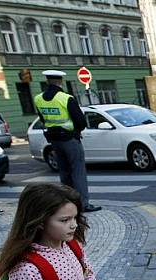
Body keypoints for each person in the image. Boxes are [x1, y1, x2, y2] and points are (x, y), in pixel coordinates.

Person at [34, 70, 100, 213]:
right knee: (78, 171)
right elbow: (80, 121)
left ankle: (67, 201)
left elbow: (43, 118)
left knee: (64, 171)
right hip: (69, 138)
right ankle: (83, 203)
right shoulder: (65, 98)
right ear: (60, 81)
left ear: (47, 81)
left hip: (54, 139)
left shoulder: (38, 98)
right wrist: (76, 131)